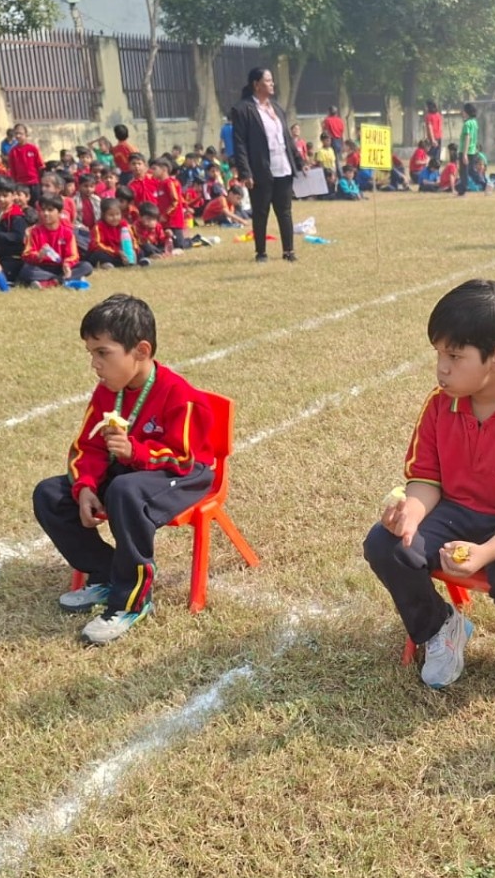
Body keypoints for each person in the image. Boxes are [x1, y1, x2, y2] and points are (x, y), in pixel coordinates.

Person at [364, 279, 495, 710]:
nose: (441, 369)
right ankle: (441, 628)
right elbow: (426, 479)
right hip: (457, 513)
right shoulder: (439, 404)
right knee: (386, 544)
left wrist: (486, 552)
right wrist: (412, 513)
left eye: (455, 356)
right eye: (439, 354)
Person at [32, 293, 217, 645]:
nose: (95, 364)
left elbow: (185, 457)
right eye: (91, 354)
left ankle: (131, 601)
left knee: (124, 491)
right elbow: (88, 446)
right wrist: (85, 486)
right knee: (50, 494)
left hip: (183, 475)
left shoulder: (179, 395)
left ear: (141, 351)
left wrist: (136, 451)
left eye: (103, 353)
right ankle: (106, 573)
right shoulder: (107, 392)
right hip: (130, 473)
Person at [230, 66, 303, 264]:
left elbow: (287, 138)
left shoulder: (277, 108)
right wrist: (246, 172)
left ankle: (288, 250)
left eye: (272, 80)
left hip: (283, 167)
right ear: (256, 84)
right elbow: (239, 143)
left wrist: (299, 161)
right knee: (261, 212)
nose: (272, 84)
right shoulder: (243, 109)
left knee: (285, 211)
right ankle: (261, 252)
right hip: (260, 169)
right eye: (268, 81)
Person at [456, 103, 481, 199]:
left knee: (464, 172)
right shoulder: (474, 123)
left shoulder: (467, 124)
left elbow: (467, 138)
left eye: (463, 111)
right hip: (472, 151)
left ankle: (463, 191)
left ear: (467, 112)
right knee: (471, 171)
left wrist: (464, 154)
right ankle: (485, 183)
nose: (462, 112)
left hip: (465, 150)